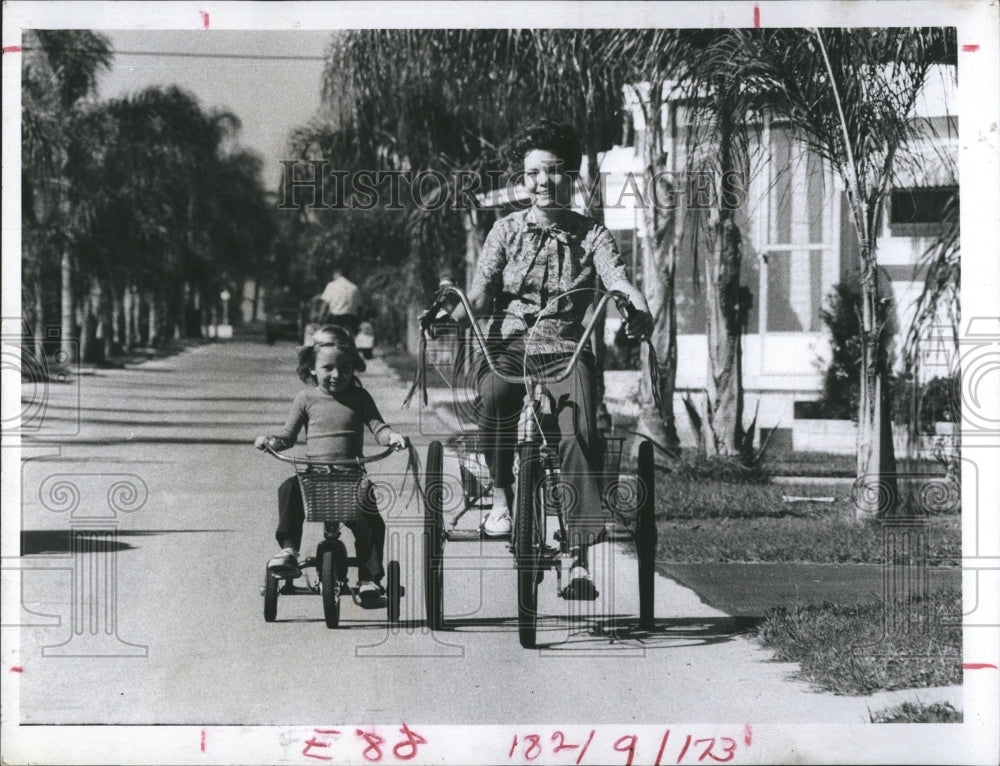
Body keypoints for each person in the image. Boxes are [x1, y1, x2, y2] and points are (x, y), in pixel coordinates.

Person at [449, 118, 652, 600]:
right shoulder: (504, 231)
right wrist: (453, 308)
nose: (543, 182)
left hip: (566, 349)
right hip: (508, 346)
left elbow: (616, 279)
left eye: (555, 171)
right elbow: (480, 290)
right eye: (534, 173)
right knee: (495, 396)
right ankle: (502, 499)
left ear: (573, 178)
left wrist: (636, 304)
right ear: (524, 180)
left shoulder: (593, 235)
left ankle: (577, 557)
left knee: (579, 428)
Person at [254, 325, 407, 601]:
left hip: (352, 479)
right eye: (328, 368)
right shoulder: (306, 399)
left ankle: (369, 579)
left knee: (371, 522)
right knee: (288, 489)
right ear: (312, 368)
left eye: (345, 368)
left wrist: (392, 437)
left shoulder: (360, 398)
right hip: (314, 478)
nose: (337, 375)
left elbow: (378, 426)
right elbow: (288, 435)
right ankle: (289, 550)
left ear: (353, 368)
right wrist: (272, 441)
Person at [320, 261, 362, 335]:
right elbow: (359, 307)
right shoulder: (354, 287)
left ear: (337, 273)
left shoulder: (331, 285)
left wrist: (320, 318)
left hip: (336, 319)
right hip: (351, 320)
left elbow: (325, 305)